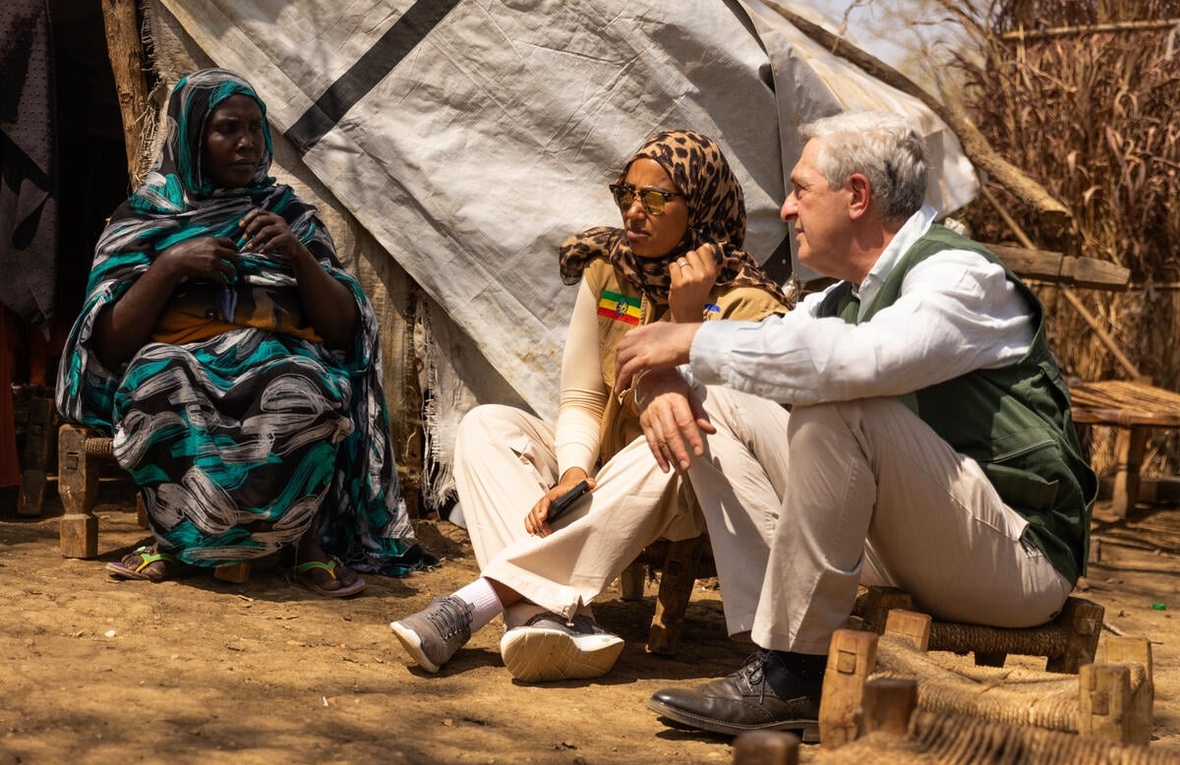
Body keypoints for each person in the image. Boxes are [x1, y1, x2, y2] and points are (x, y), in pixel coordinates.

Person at [612, 111, 1097, 740]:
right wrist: (666, 380)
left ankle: (795, 671)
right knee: (722, 404)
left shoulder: (959, 275)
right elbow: (754, 356)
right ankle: (773, 654)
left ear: (858, 196)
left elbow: (864, 363)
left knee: (841, 403)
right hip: (917, 543)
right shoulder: (842, 296)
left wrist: (689, 338)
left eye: (799, 190)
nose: (785, 210)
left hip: (1015, 558)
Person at [390, 130, 788, 681]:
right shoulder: (610, 269)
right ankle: (551, 618)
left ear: (697, 207)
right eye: (626, 193)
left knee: (675, 431)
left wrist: (685, 314)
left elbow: (721, 422)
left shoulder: (751, 302)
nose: (633, 210)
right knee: (486, 425)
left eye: (653, 199)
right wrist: (575, 469)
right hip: (601, 473)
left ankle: (480, 602)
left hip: (679, 483)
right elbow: (583, 395)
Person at [56, 68, 433, 594]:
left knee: (304, 388)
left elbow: (345, 330)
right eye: (227, 129)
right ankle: (177, 541)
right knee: (159, 384)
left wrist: (297, 255)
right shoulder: (142, 218)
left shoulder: (289, 215)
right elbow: (109, 343)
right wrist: (169, 266)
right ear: (191, 140)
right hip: (177, 356)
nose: (247, 144)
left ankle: (305, 546)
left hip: (280, 353)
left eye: (255, 129)